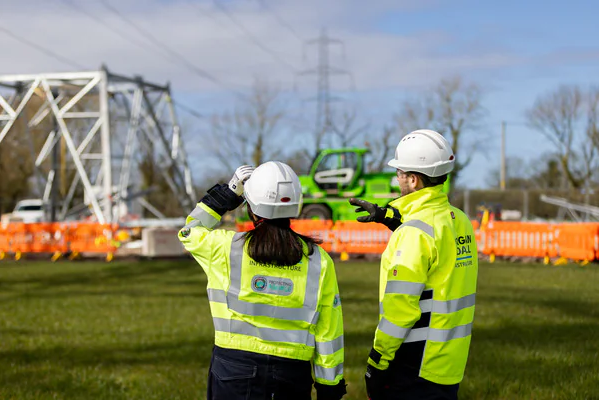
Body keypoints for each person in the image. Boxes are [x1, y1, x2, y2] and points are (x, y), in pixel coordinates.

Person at [178, 161, 347, 400]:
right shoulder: (318, 260)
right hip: (292, 375)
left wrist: (229, 192)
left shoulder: (224, 248)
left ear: (251, 206)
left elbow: (189, 230)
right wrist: (330, 386)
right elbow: (329, 329)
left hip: (233, 371)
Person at [349, 129, 478, 400]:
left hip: (414, 365)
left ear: (413, 179)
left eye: (399, 173)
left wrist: (377, 363)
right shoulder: (460, 220)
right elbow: (436, 249)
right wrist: (392, 218)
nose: (397, 179)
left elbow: (400, 311)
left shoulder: (414, 233)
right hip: (449, 363)